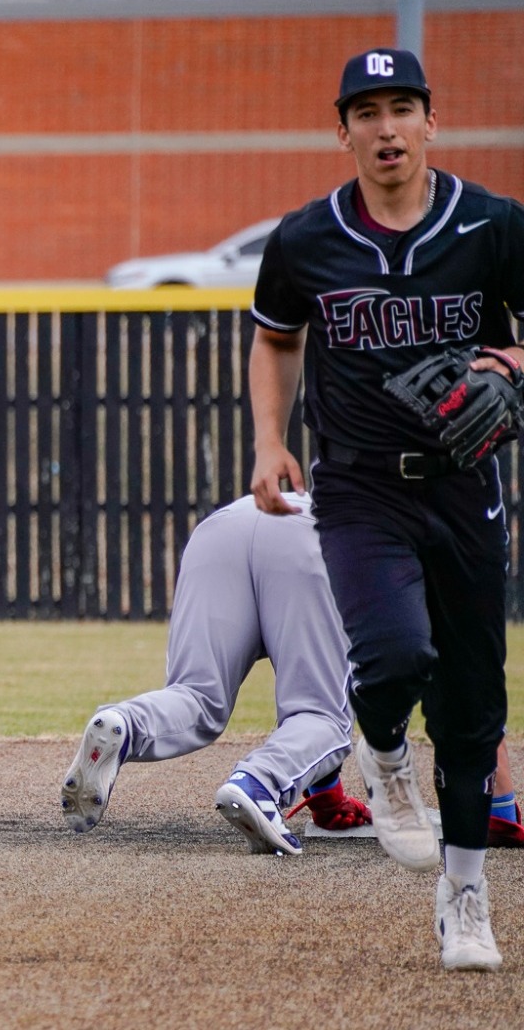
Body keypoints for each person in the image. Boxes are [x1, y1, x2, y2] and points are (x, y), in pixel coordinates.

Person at [247, 47, 524, 971]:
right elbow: (275, 336)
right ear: (344, 132)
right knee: (397, 651)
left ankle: (467, 898)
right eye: (366, 112)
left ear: (431, 122)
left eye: (402, 106)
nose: (386, 126)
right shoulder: (306, 238)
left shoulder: (489, 226)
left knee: (476, 703)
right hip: (360, 483)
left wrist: (507, 365)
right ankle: (382, 752)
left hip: (464, 481)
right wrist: (270, 441)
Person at [60, 493, 375, 853]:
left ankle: (127, 724)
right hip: (308, 539)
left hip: (220, 530)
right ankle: (258, 783)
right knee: (321, 715)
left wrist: (327, 800)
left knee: (196, 694)